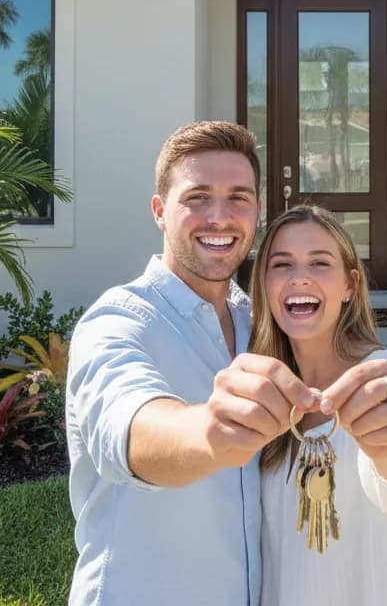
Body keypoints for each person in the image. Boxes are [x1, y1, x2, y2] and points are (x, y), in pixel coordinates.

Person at [65, 121, 320, 606]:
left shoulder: (256, 322)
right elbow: (130, 425)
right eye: (197, 197)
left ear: (258, 212)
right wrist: (211, 430)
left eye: (238, 198)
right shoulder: (116, 321)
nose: (220, 217)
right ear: (160, 211)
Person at [249, 205, 387, 606]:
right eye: (282, 265)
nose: (299, 277)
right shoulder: (259, 392)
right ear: (263, 283)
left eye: (319, 263)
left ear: (349, 285)